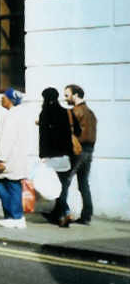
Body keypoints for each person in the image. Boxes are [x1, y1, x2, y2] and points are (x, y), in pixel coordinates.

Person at [0, 87, 30, 229]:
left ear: (10, 100)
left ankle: (14, 217)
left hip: (8, 161)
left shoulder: (12, 116)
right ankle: (15, 217)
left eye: (4, 97)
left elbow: (7, 139)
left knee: (8, 187)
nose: (1, 98)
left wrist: (1, 159)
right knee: (12, 187)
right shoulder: (17, 114)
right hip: (14, 160)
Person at [38, 87, 73, 226]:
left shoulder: (45, 113)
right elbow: (68, 135)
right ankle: (60, 213)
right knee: (63, 187)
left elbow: (43, 137)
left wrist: (43, 155)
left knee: (54, 188)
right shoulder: (64, 112)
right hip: (65, 157)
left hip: (51, 157)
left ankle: (64, 212)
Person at [64, 84, 97, 226]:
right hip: (89, 151)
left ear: (76, 95)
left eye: (67, 95)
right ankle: (86, 216)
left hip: (77, 151)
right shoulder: (90, 113)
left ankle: (63, 214)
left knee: (64, 182)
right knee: (84, 184)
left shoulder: (74, 112)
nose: (65, 98)